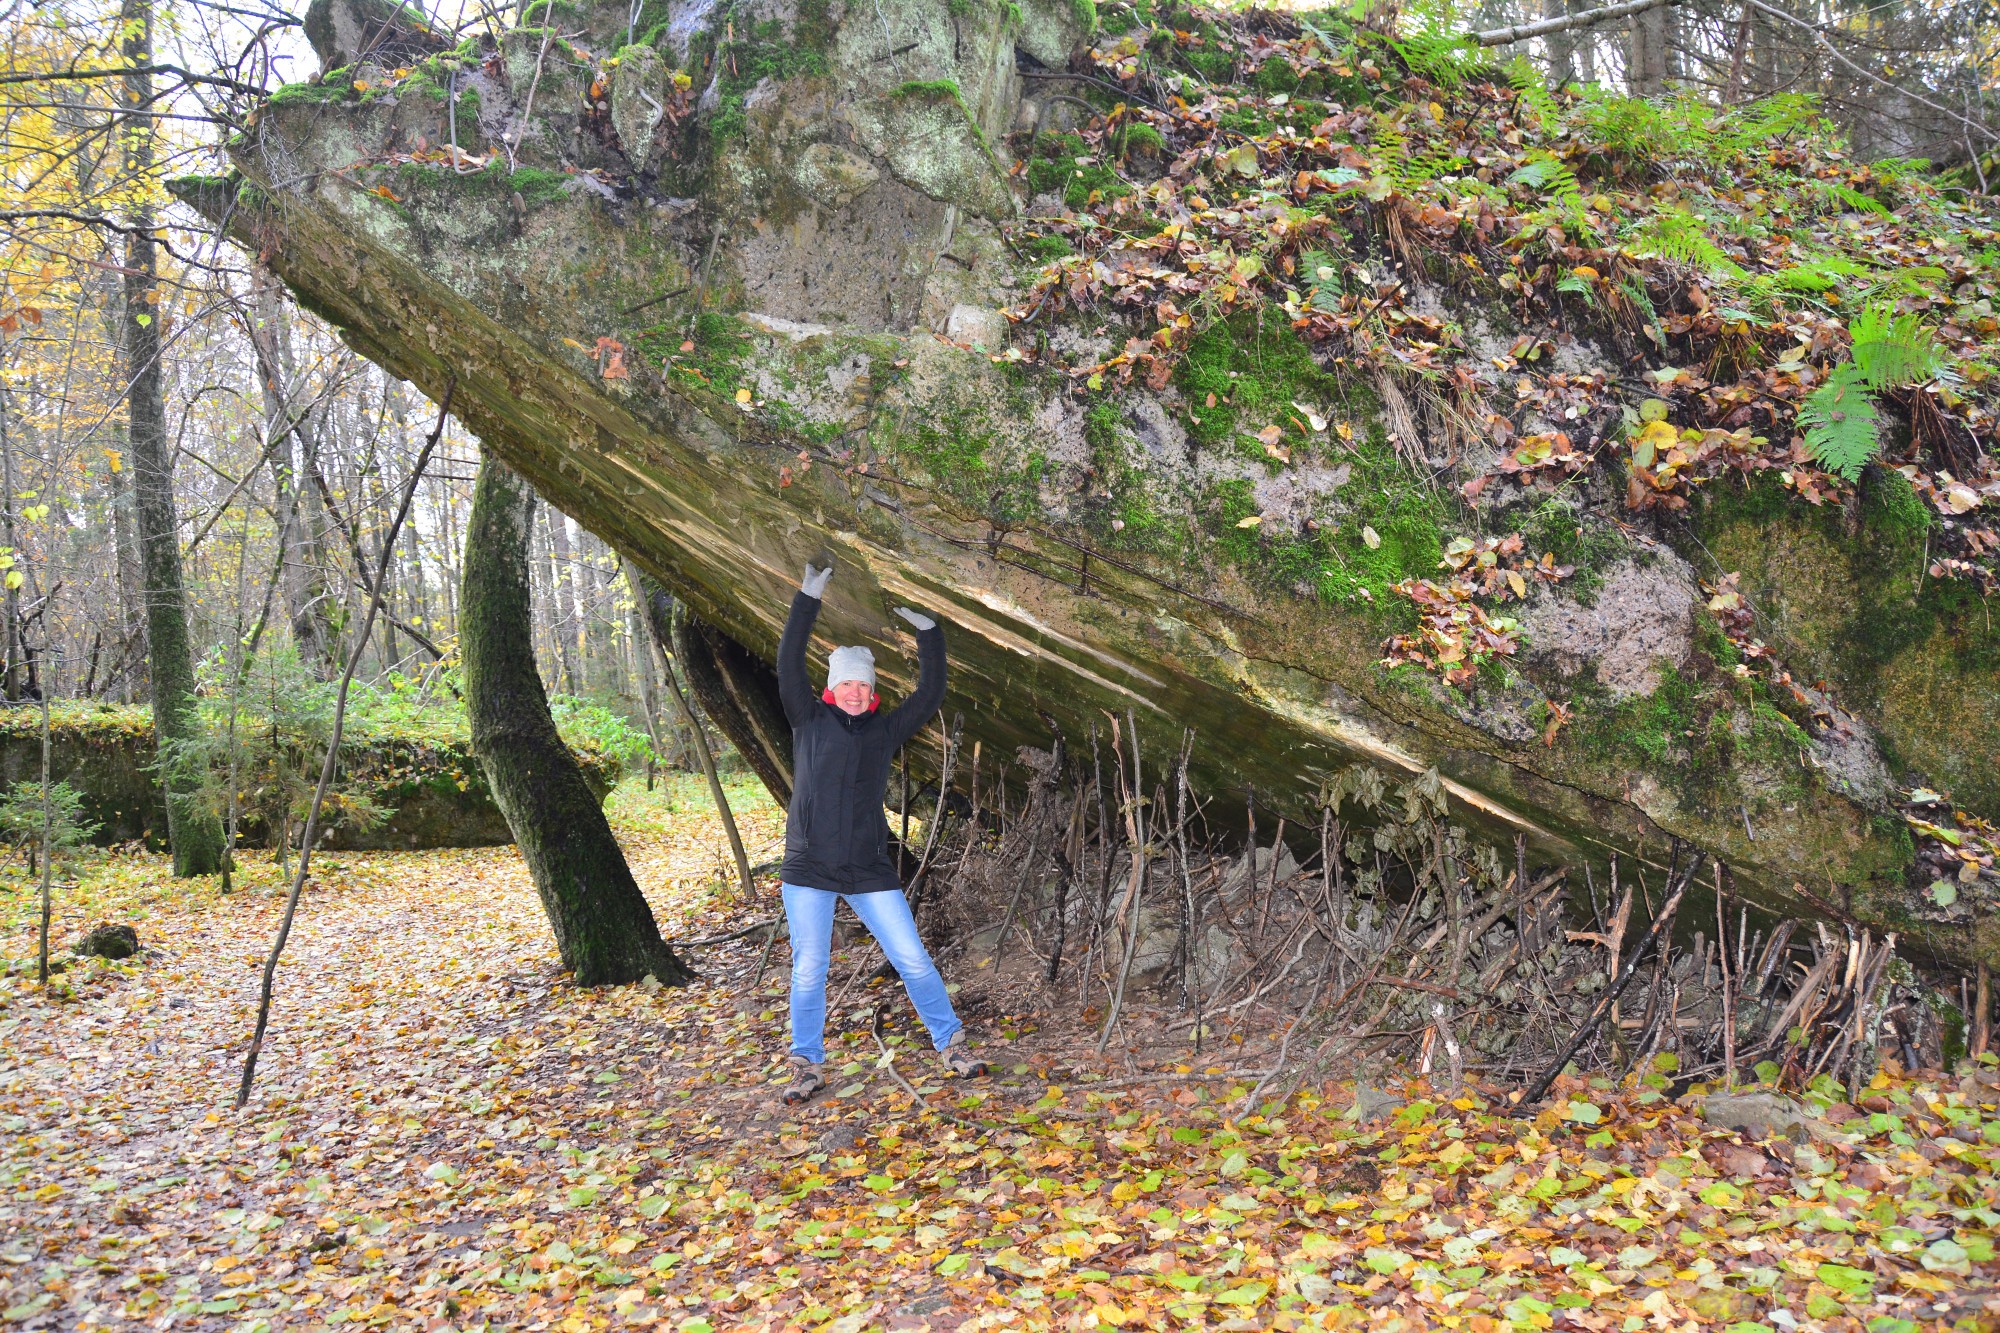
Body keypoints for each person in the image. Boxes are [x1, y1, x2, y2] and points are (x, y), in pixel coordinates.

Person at [775, 561, 986, 1104]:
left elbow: (930, 694)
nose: (852, 691)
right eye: (844, 682)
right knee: (809, 969)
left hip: (868, 867)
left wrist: (929, 634)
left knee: (912, 958)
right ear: (831, 686)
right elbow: (787, 665)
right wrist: (807, 598)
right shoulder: (807, 718)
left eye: (862, 684)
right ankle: (806, 1063)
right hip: (808, 868)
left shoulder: (885, 729)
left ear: (871, 691)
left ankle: (952, 1043)